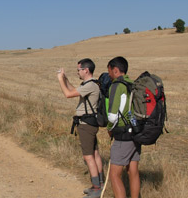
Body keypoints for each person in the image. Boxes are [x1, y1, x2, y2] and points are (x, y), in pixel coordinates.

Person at [57, 58, 104, 198]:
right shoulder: (92, 84)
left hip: (86, 125)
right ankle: (99, 185)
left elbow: (68, 94)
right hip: (90, 123)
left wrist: (60, 79)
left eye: (79, 70)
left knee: (88, 156)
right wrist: (65, 79)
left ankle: (96, 189)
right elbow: (73, 90)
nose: (78, 72)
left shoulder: (91, 85)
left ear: (86, 70)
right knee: (95, 154)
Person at [106, 56, 140, 198]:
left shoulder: (116, 86)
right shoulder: (133, 84)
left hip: (123, 136)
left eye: (109, 71)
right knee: (133, 171)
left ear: (115, 70)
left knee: (114, 175)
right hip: (136, 134)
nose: (108, 75)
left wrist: (109, 128)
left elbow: (112, 116)